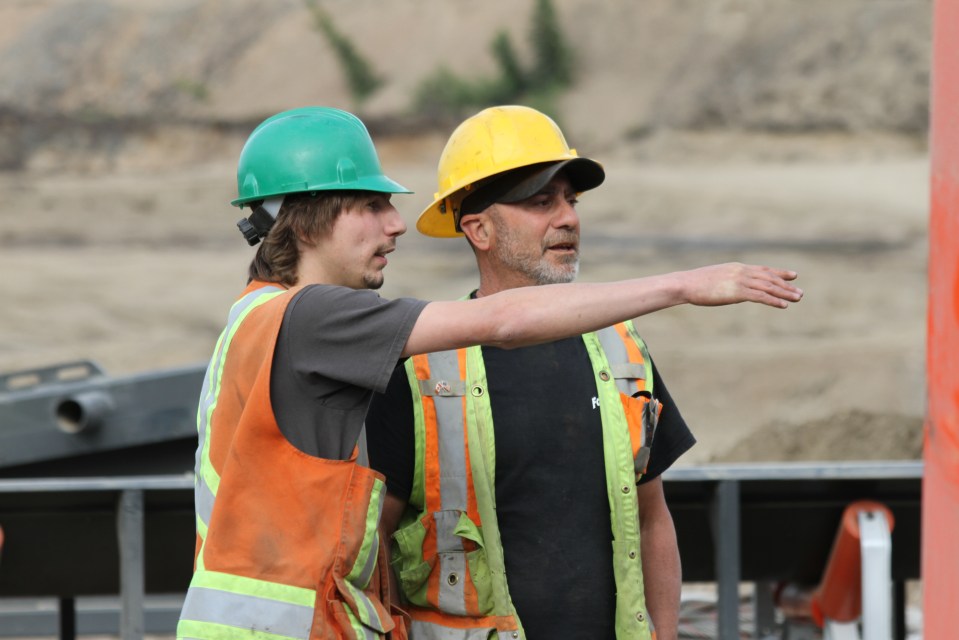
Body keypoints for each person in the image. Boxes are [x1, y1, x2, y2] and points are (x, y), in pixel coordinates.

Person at [176, 105, 802, 640]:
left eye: (571, 199)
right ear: (307, 217)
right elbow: (503, 323)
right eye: (371, 205)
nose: (397, 223)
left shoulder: (262, 321)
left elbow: (649, 515)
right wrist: (685, 284)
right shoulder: (315, 320)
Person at [365, 105, 802, 640]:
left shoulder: (622, 351)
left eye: (570, 199)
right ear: (478, 229)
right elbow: (374, 541)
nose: (569, 217)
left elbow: (652, 519)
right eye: (541, 201)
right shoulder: (420, 372)